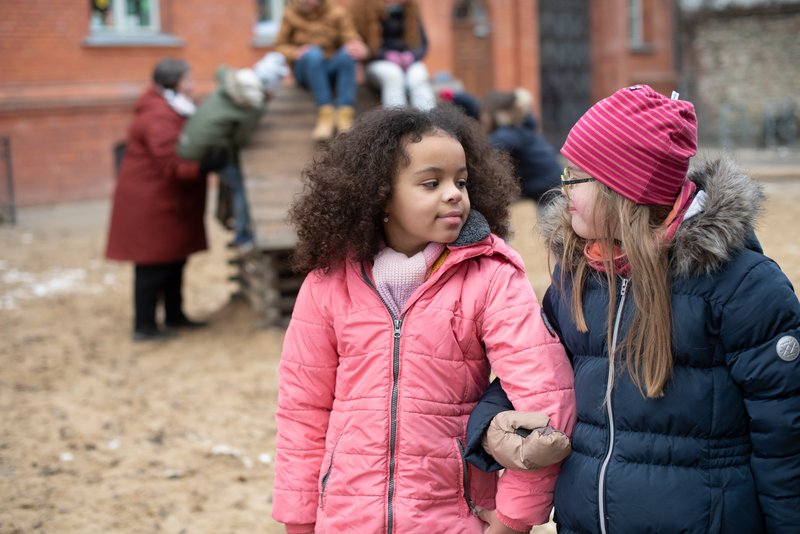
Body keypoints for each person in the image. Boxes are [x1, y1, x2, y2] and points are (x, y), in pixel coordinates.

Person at [465, 85, 800, 533]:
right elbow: (532, 369)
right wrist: (489, 425)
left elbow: (785, 438)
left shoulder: (742, 286)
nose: (563, 188)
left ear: (624, 189)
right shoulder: (577, 276)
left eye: (577, 175)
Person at [271, 106, 576, 533]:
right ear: (379, 195)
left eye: (461, 181)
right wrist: (299, 519)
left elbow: (547, 404)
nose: (453, 194)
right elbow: (303, 411)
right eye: (431, 183)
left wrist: (513, 519)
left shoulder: (492, 278)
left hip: (454, 518)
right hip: (346, 518)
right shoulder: (328, 283)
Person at [106, 58, 220, 342]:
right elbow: (170, 163)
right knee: (151, 265)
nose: (192, 84)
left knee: (174, 260)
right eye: (188, 79)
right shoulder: (158, 116)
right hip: (151, 203)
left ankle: (174, 315)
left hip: (166, 200)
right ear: (175, 82)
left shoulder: (172, 109)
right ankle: (144, 326)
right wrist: (204, 167)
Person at [177, 53, 289, 251]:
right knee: (241, 184)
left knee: (231, 173)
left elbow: (220, 70)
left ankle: (236, 226)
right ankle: (243, 234)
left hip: (189, 141)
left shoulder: (233, 80)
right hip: (207, 150)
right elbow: (241, 138)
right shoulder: (254, 104)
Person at [274, 0, 368, 141]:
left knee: (348, 53)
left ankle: (344, 113)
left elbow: (350, 37)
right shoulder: (290, 15)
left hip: (330, 68)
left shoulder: (337, 13)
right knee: (313, 53)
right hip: (305, 70)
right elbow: (279, 45)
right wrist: (295, 52)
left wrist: (357, 46)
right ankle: (325, 113)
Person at [350, 0, 436, 111]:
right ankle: (397, 122)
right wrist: (386, 55)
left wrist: (411, 56)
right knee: (393, 75)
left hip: (408, 61)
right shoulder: (366, 9)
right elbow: (363, 47)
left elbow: (423, 44)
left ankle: (429, 119)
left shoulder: (411, 10)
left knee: (419, 76)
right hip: (378, 62)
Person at [480, 88, 561, 204]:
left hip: (549, 191)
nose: (482, 118)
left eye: (485, 113)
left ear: (493, 114)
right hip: (550, 187)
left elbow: (484, 151)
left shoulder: (508, 134)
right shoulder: (520, 130)